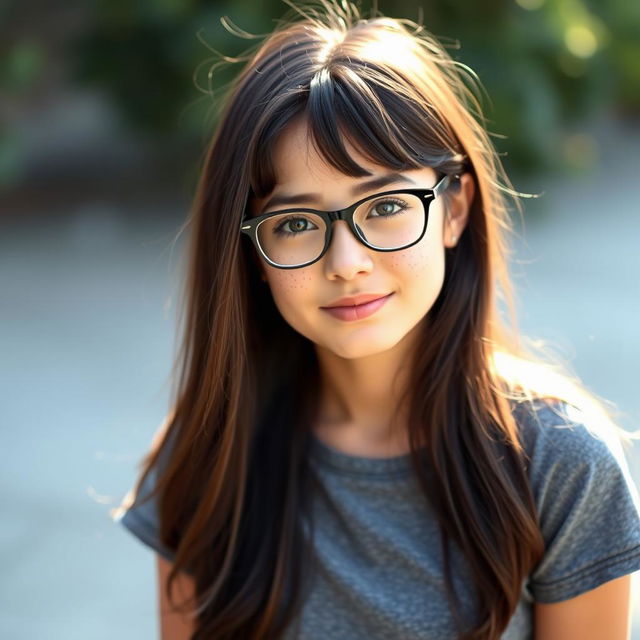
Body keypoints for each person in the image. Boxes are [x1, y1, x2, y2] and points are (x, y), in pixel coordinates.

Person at [112, 2, 640, 638]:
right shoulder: (213, 449)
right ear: (252, 250)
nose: (347, 263)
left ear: (454, 210)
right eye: (297, 223)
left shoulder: (560, 464)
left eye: (386, 205)